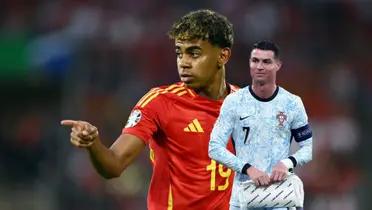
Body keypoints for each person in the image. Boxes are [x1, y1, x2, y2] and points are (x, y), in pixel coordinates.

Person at [61, 9, 238, 210]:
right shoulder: (160, 103)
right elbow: (114, 165)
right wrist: (93, 144)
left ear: (223, 55)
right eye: (179, 53)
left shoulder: (248, 107)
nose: (184, 63)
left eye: (194, 53)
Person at [208, 41, 313, 210]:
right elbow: (214, 147)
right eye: (255, 61)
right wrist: (247, 168)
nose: (259, 66)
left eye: (266, 62)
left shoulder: (292, 103)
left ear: (278, 65)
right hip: (243, 199)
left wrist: (286, 163)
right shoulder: (234, 102)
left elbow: (307, 149)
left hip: (280, 198)